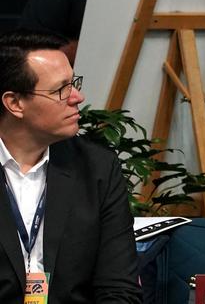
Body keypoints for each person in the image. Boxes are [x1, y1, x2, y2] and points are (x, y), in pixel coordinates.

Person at [0, 29, 141, 303]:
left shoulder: (97, 168)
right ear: (15, 103)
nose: (77, 97)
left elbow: (119, 288)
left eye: (73, 83)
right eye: (60, 89)